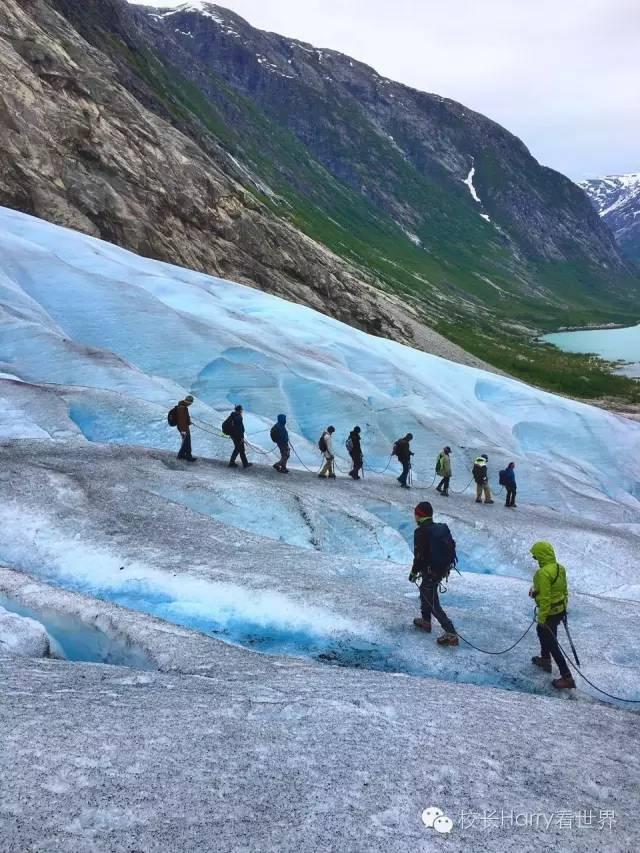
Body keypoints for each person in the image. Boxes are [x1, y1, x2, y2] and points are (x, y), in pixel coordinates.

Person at [408, 501, 458, 646]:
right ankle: (426, 621)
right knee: (425, 592)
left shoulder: (421, 532)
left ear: (419, 515)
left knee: (432, 600)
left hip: (431, 571)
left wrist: (413, 572)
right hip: (440, 570)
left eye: (415, 514)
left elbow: (419, 556)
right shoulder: (438, 529)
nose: (414, 517)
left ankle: (451, 632)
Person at [529, 541, 575, 689]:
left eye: (536, 556)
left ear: (542, 556)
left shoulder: (543, 573)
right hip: (559, 610)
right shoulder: (559, 568)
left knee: (551, 642)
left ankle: (567, 677)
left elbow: (546, 598)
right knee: (543, 633)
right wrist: (563, 609)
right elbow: (563, 590)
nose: (535, 559)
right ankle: (545, 659)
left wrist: (542, 618)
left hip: (549, 612)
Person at [227, 404, 252, 470]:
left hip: (233, 435)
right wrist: (241, 437)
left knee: (237, 449)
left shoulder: (233, 415)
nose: (242, 411)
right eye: (241, 409)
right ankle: (245, 464)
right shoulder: (238, 417)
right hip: (237, 436)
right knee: (241, 450)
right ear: (240, 410)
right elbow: (239, 429)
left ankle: (232, 462)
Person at [176, 395, 196, 461]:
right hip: (183, 428)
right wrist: (183, 430)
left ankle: (181, 455)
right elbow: (181, 420)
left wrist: (188, 422)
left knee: (185, 442)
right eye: (190, 403)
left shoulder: (183, 407)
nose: (190, 404)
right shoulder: (182, 408)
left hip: (184, 427)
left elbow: (184, 418)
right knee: (187, 442)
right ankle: (188, 457)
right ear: (188, 402)